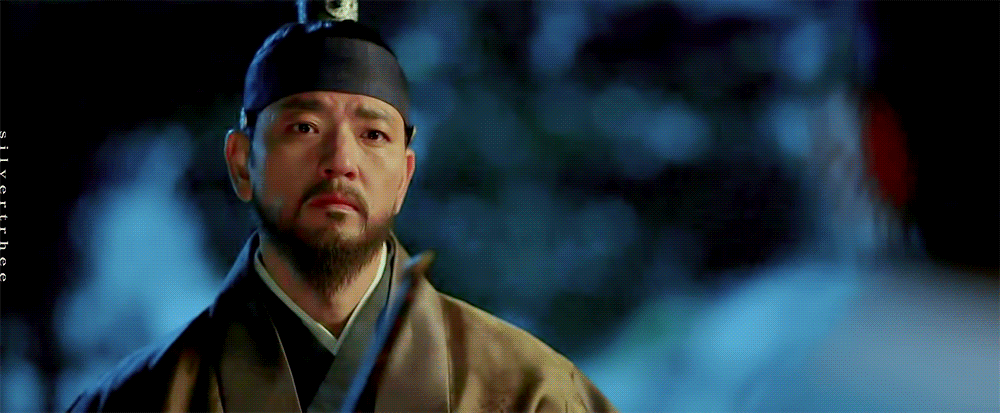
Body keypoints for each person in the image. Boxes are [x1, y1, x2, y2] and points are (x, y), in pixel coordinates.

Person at [67, 18, 617, 413]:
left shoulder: (533, 393)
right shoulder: (135, 401)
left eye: (372, 134)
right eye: (304, 128)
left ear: (404, 176)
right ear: (240, 162)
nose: (340, 162)